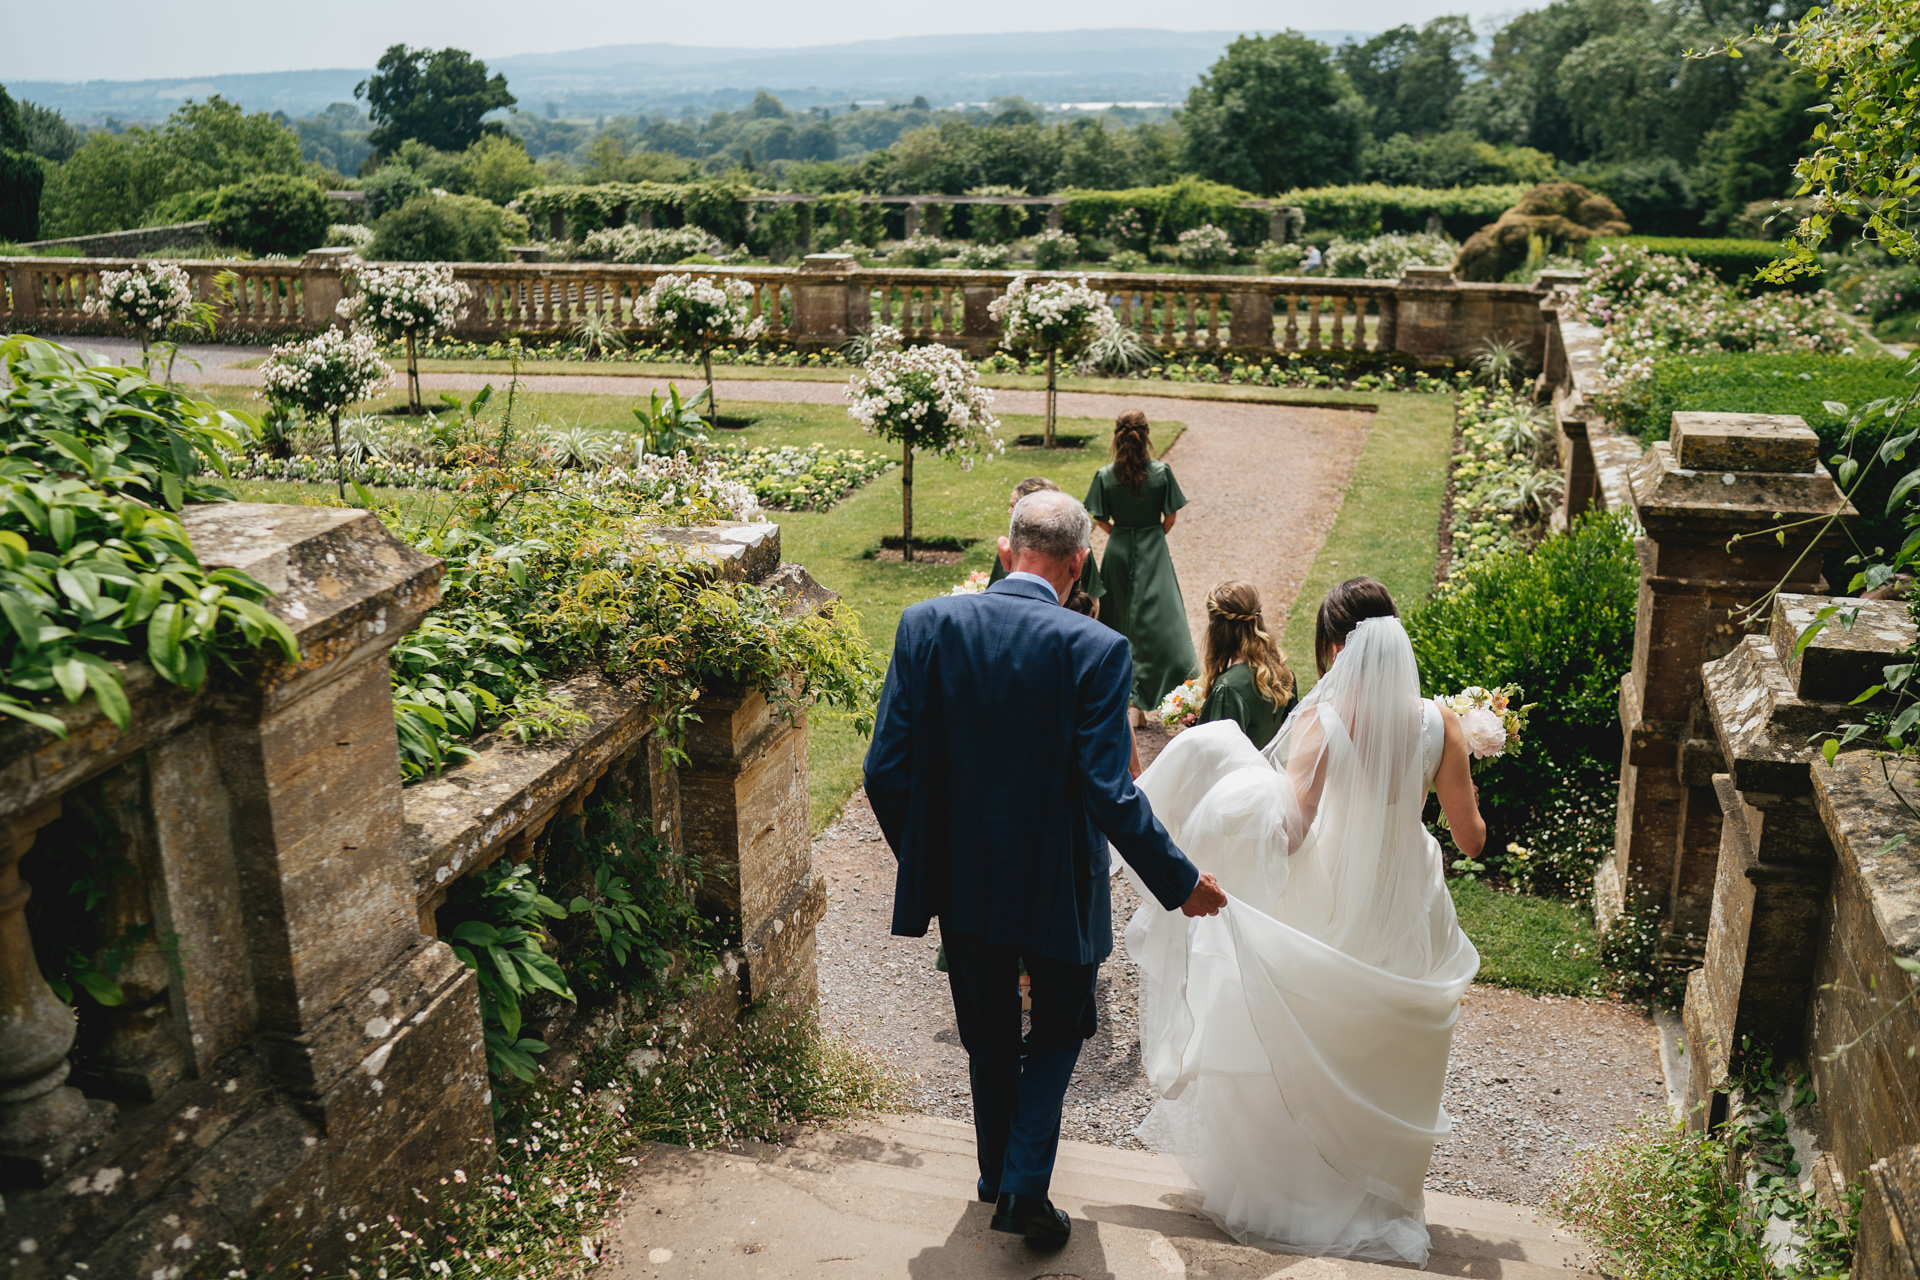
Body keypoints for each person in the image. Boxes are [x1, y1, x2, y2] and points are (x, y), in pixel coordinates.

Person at [865, 489, 1226, 1248]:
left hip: (964, 888)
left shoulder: (924, 625)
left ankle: (1000, 1179)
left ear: (1007, 551)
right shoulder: (1096, 650)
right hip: (1057, 888)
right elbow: (1107, 791)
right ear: (1079, 563)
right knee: (1061, 1029)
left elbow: (885, 772)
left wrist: (931, 860)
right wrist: (1180, 881)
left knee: (990, 1039)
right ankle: (1022, 1187)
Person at [1124, 576, 1484, 1266]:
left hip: (1331, 893)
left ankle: (1299, 1193)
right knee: (1384, 1042)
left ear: (1338, 648)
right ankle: (1378, 1197)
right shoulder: (1440, 723)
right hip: (1406, 900)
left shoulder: (1326, 721)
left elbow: (1289, 832)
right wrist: (1461, 764)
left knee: (1312, 1032)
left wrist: (1236, 787)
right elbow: (1470, 840)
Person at [1084, 411, 1196, 721]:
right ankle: (1156, 695)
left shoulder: (1105, 474)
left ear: (1117, 436)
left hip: (1119, 548)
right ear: (1146, 435)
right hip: (1153, 546)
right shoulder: (1160, 472)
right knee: (1160, 619)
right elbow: (1170, 516)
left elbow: (1099, 517)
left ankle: (1127, 699)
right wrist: (1154, 535)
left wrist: (1119, 533)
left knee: (1118, 618)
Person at [1195, 580, 1295, 751]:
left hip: (1237, 776)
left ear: (1218, 628)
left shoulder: (1228, 688)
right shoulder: (1281, 671)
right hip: (1266, 770)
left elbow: (1214, 752)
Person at [990, 476, 1105, 619]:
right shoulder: (1079, 547)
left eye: (1013, 506)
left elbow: (992, 597)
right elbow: (1094, 601)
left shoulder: (1011, 548)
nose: (1009, 511)